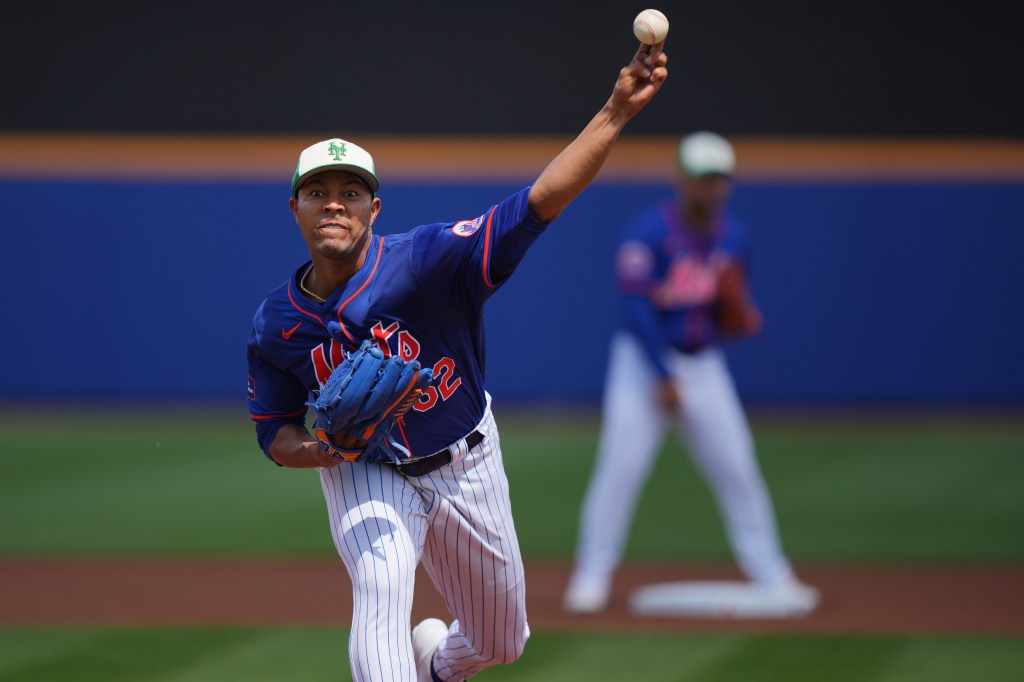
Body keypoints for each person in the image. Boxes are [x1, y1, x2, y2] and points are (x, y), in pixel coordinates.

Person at [245, 40, 669, 682]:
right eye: (318, 191)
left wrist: (614, 113)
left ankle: (436, 668)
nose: (335, 203)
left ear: (373, 208)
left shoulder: (426, 262)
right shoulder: (277, 322)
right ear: (296, 207)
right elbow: (273, 427)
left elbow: (539, 202)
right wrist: (314, 453)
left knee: (502, 643)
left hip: (466, 461)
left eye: (351, 191)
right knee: (382, 584)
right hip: (368, 470)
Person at [562, 131, 820, 615]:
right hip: (643, 365)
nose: (712, 188)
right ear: (682, 180)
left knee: (739, 470)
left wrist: (737, 317)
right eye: (704, 178)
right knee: (620, 470)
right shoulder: (649, 233)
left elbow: (727, 308)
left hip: (703, 366)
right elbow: (637, 311)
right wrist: (663, 374)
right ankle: (591, 575)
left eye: (719, 179)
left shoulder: (735, 238)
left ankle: (771, 570)